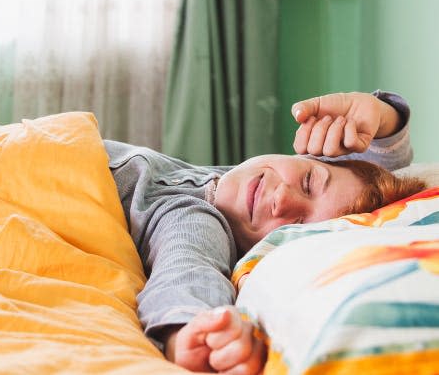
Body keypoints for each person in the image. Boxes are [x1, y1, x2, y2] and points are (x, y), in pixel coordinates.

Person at [104, 91, 426, 374]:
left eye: (295, 225)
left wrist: (195, 329)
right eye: (308, 181)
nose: (283, 199)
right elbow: (378, 167)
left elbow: (189, 264)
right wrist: (383, 117)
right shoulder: (228, 182)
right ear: (308, 156)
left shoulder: (202, 221)